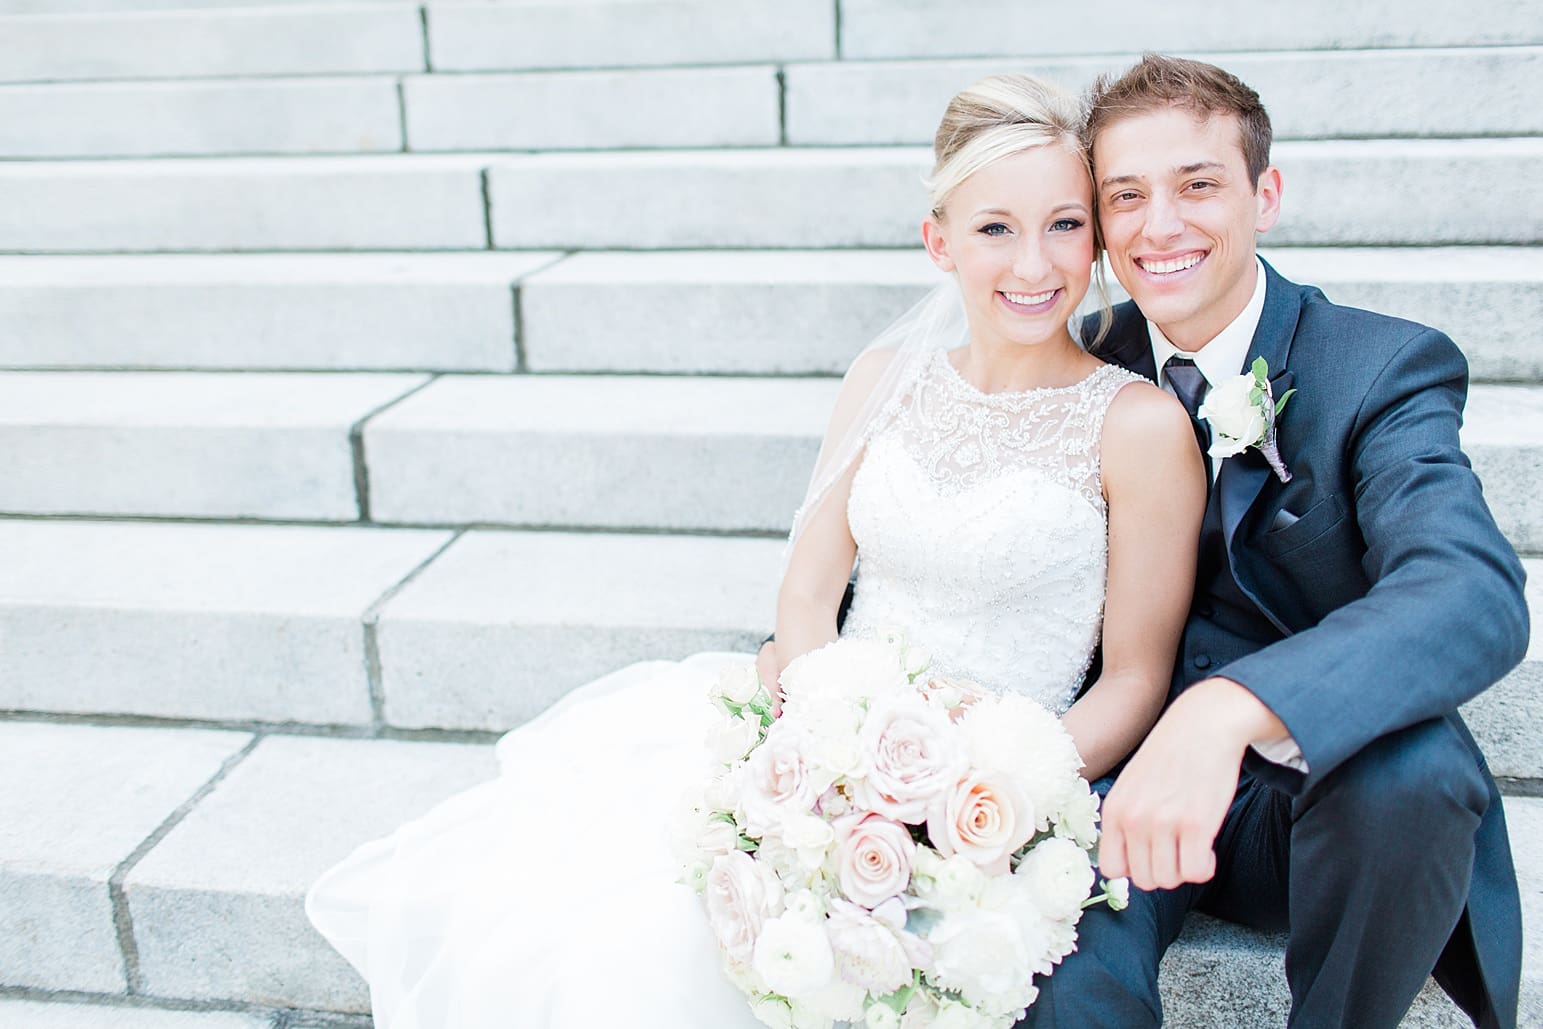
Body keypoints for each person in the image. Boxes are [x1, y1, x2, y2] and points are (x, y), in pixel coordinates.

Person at [305, 73, 1206, 1028]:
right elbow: (808, 598)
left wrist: (977, 793)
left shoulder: (1135, 427)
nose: (1034, 263)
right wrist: (832, 757)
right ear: (937, 239)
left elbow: (1135, 681)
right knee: (631, 930)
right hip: (823, 741)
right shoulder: (882, 381)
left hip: (997, 792)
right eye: (994, 228)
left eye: (1065, 225)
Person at [1008, 55, 1529, 1029]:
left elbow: (1471, 594)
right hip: (1111, 775)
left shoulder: (1377, 367)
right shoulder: (1068, 363)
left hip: (1316, 804)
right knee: (1063, 979)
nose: (1159, 226)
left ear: (1265, 193)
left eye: (1197, 185)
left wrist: (1226, 709)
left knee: (1414, 769)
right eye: (1125, 197)